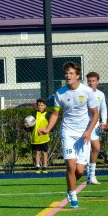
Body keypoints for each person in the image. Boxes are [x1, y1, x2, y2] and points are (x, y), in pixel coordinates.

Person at [38, 62, 99, 208]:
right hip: (68, 132)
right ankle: (73, 195)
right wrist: (47, 128)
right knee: (71, 166)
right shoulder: (60, 93)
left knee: (79, 170)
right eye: (66, 73)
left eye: (71, 73)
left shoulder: (87, 91)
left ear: (77, 76)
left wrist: (89, 131)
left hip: (84, 134)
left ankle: (69, 188)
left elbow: (95, 114)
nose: (68, 76)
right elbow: (55, 114)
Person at [29, 98, 51, 173]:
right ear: (37, 106)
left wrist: (45, 130)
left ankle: (45, 166)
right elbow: (30, 124)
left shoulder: (48, 114)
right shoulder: (34, 114)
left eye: (42, 105)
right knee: (37, 152)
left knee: (45, 152)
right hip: (36, 137)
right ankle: (37, 166)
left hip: (44, 137)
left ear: (45, 106)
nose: (40, 107)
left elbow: (51, 126)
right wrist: (26, 126)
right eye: (39, 105)